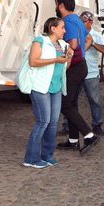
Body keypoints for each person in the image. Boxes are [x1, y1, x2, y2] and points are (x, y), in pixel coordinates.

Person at [23, 17, 70, 168]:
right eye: (62, 27)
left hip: (56, 88)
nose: (65, 30)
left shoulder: (63, 44)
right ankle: (31, 159)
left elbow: (63, 67)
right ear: (53, 28)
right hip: (40, 87)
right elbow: (33, 61)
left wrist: (67, 58)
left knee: (53, 123)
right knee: (43, 121)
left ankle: (47, 155)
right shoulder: (40, 41)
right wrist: (55, 60)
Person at [55, 0, 99, 151]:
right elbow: (88, 40)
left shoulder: (67, 21)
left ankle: (89, 135)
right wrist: (82, 54)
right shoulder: (78, 20)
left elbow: (73, 44)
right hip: (81, 65)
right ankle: (73, 141)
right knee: (72, 104)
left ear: (60, 5)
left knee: (65, 105)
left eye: (56, 5)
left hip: (74, 67)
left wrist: (63, 54)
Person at [78, 11, 104, 136]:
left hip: (91, 74)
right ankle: (68, 126)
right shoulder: (77, 34)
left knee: (94, 101)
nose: (81, 24)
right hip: (76, 73)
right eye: (80, 21)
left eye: (83, 22)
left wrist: (93, 44)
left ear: (90, 22)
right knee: (71, 101)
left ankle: (97, 125)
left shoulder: (96, 35)